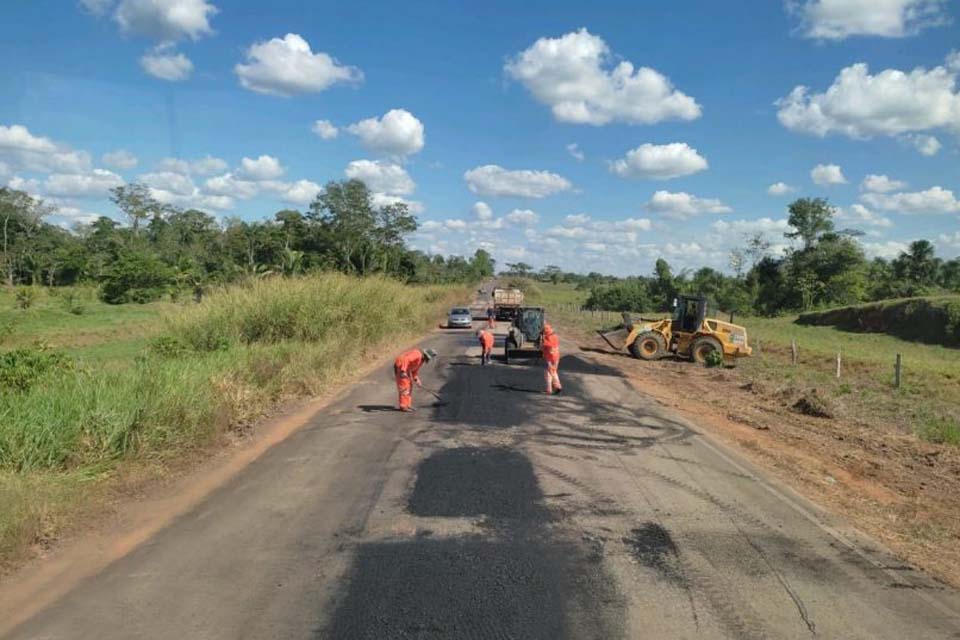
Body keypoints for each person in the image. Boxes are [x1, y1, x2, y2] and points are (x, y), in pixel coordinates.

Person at [541, 324, 562, 395]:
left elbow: (545, 346)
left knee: (548, 373)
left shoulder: (547, 338)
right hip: (556, 357)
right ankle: (556, 385)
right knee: (553, 371)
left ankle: (551, 388)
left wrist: (543, 344)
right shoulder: (555, 336)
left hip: (550, 358)